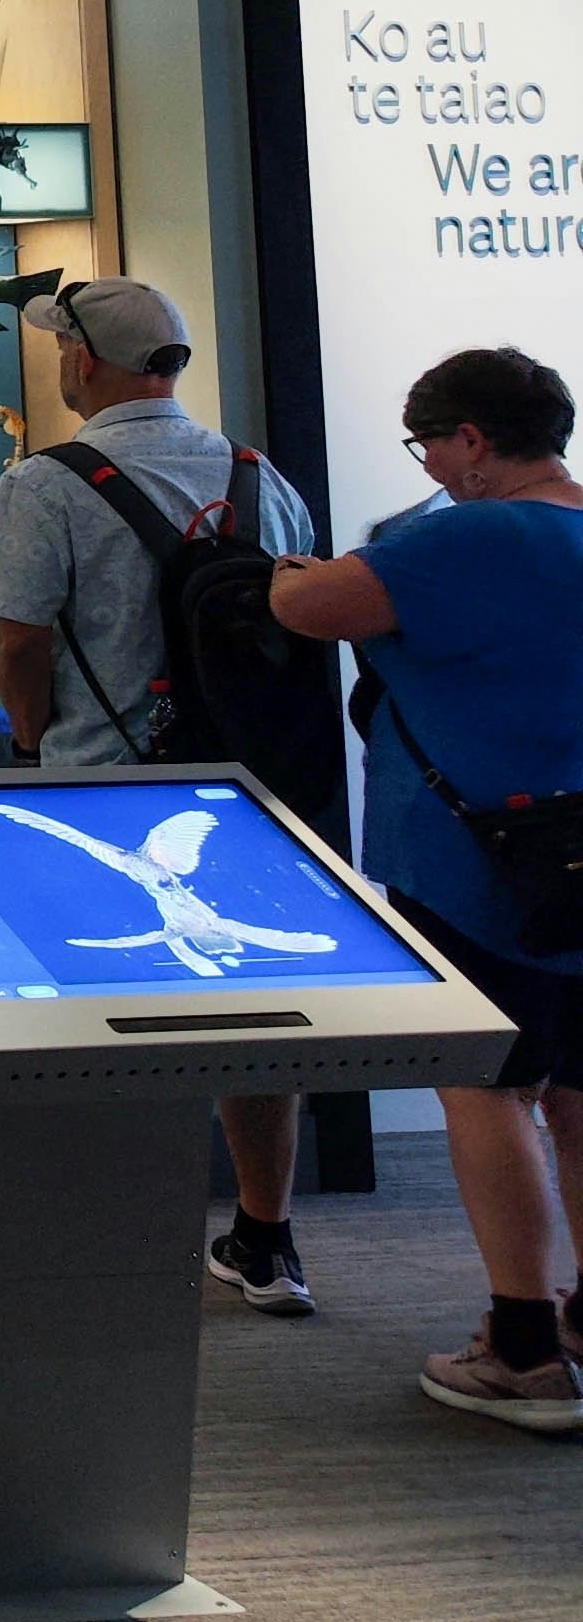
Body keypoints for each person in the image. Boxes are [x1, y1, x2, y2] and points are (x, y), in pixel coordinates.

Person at [0, 276, 323, 1311]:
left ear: (84, 361)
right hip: (243, 787)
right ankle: (265, 1239)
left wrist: (36, 741)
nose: (53, 361)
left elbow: (19, 639)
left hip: (100, 782)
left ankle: (102, 1244)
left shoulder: (42, 483)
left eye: (58, 348)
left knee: (97, 1005)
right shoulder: (260, 475)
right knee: (252, 1017)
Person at [273, 346, 583, 1433]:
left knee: (486, 1088)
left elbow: (315, 611)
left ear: (470, 440)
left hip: (481, 860)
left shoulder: (467, 533)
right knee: (579, 1092)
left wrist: (281, 574)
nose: (432, 468)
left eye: (430, 446)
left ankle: (523, 1349)